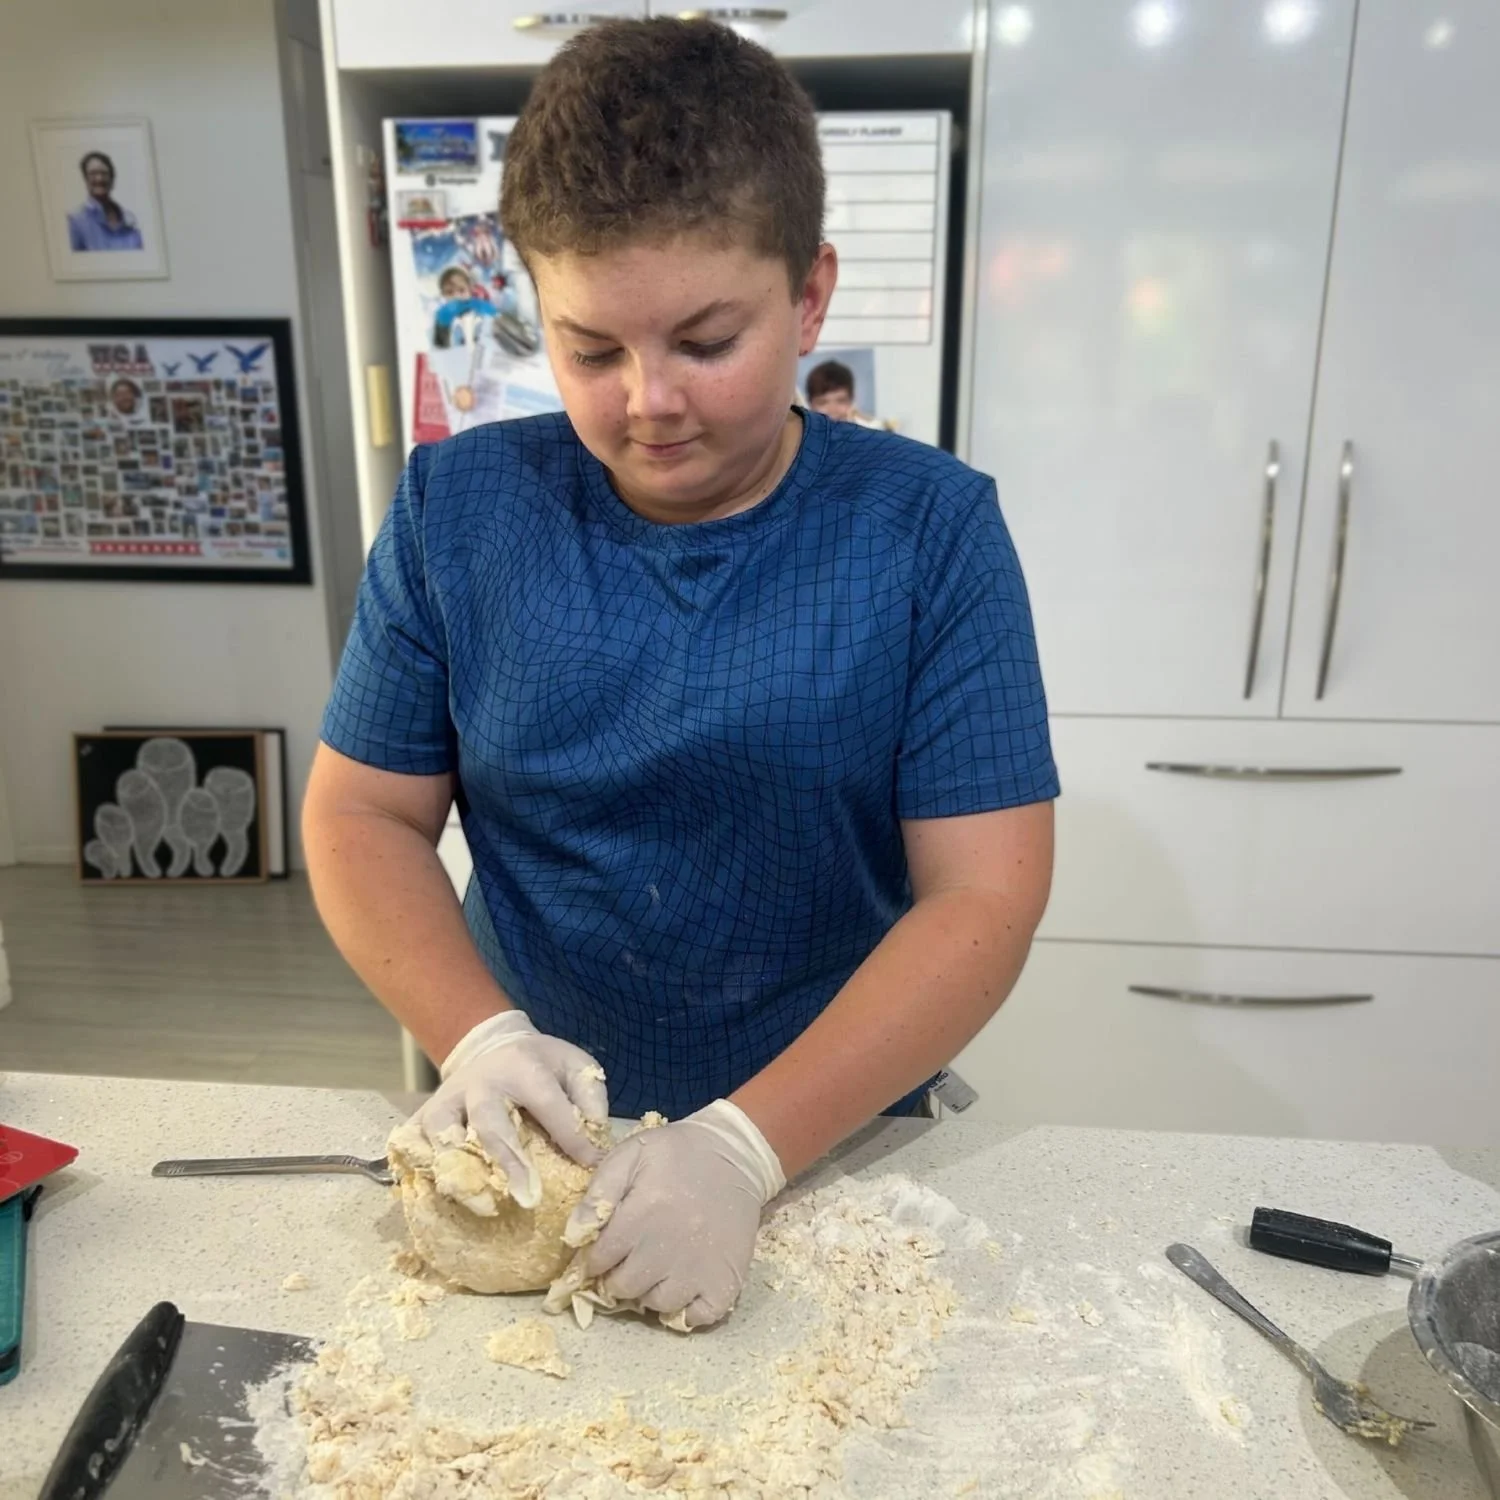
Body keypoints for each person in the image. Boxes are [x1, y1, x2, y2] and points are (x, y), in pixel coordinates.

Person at [305, 18, 1057, 1333]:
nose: (648, 400)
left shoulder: (929, 534)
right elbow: (360, 816)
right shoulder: (455, 510)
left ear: (810, 294)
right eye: (591, 349)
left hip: (825, 1148)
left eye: (707, 342)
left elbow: (984, 898)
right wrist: (476, 1033)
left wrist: (742, 1151)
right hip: (528, 1143)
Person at [67, 152, 144, 252]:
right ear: (85, 179)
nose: (99, 178)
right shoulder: (75, 222)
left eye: (104, 173)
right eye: (93, 174)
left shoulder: (130, 221)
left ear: (112, 179)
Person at [804, 358, 882, 428]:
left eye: (840, 401)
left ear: (852, 399)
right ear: (810, 403)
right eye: (823, 402)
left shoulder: (871, 435)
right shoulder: (799, 439)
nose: (832, 410)